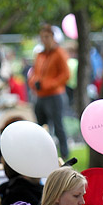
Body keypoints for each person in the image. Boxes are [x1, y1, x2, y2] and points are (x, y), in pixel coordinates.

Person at [28, 24, 70, 159]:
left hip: (54, 95)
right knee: (41, 127)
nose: (44, 40)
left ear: (52, 37)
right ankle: (43, 155)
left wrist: (47, 84)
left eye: (47, 37)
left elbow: (65, 75)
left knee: (58, 126)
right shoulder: (40, 55)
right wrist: (34, 83)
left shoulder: (59, 53)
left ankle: (64, 155)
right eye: (42, 37)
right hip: (40, 96)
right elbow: (34, 73)